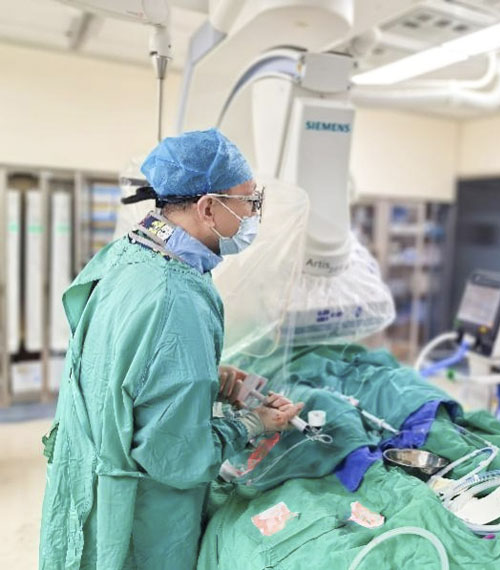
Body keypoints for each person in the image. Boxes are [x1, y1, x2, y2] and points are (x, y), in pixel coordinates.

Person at [39, 129, 303, 569]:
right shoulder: (176, 297)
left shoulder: (127, 255)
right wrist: (252, 422)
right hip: (137, 514)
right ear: (208, 207)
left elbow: (117, 366)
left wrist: (204, 379)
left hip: (84, 471)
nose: (253, 214)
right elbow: (177, 456)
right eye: (248, 201)